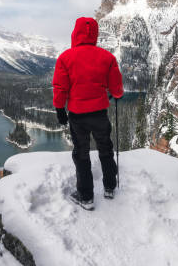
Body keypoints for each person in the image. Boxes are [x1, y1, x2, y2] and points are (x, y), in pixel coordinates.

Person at [52, 16, 124, 210]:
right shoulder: (107, 57)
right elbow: (116, 87)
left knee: (81, 153)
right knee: (106, 148)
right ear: (95, 34)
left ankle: (86, 196)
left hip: (77, 115)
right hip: (100, 113)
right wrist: (116, 94)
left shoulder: (65, 58)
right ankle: (109, 187)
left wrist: (60, 109)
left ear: (75, 33)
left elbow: (60, 87)